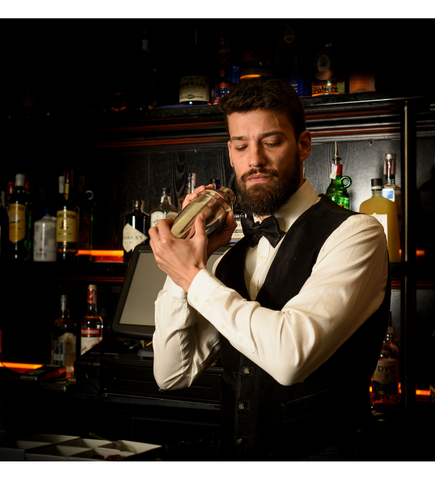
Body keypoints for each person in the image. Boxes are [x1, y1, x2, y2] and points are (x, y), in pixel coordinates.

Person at [148, 76, 390, 461]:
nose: (254, 159)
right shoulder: (228, 258)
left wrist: (193, 276)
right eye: (241, 146)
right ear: (230, 153)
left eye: (271, 142)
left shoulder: (356, 234)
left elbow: (290, 356)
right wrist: (184, 266)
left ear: (303, 145)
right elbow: (172, 375)